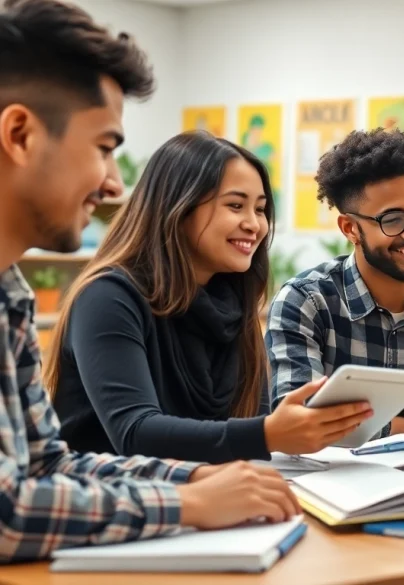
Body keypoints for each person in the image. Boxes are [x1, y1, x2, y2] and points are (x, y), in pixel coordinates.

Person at [0, 0, 299, 561]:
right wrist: (188, 504)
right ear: (20, 134)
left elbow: (48, 463)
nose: (115, 185)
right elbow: (8, 511)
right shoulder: (108, 295)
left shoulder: (10, 295)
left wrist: (197, 484)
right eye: (104, 148)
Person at [45, 132, 372, 464]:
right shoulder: (107, 298)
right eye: (235, 205)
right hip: (108, 501)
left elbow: (249, 421)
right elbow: (134, 432)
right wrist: (267, 434)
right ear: (178, 207)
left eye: (260, 209)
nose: (254, 225)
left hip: (201, 494)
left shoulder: (233, 307)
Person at [266, 128, 404, 440]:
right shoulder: (305, 303)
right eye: (392, 219)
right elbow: (301, 423)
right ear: (350, 228)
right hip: (323, 483)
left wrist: (359, 426)